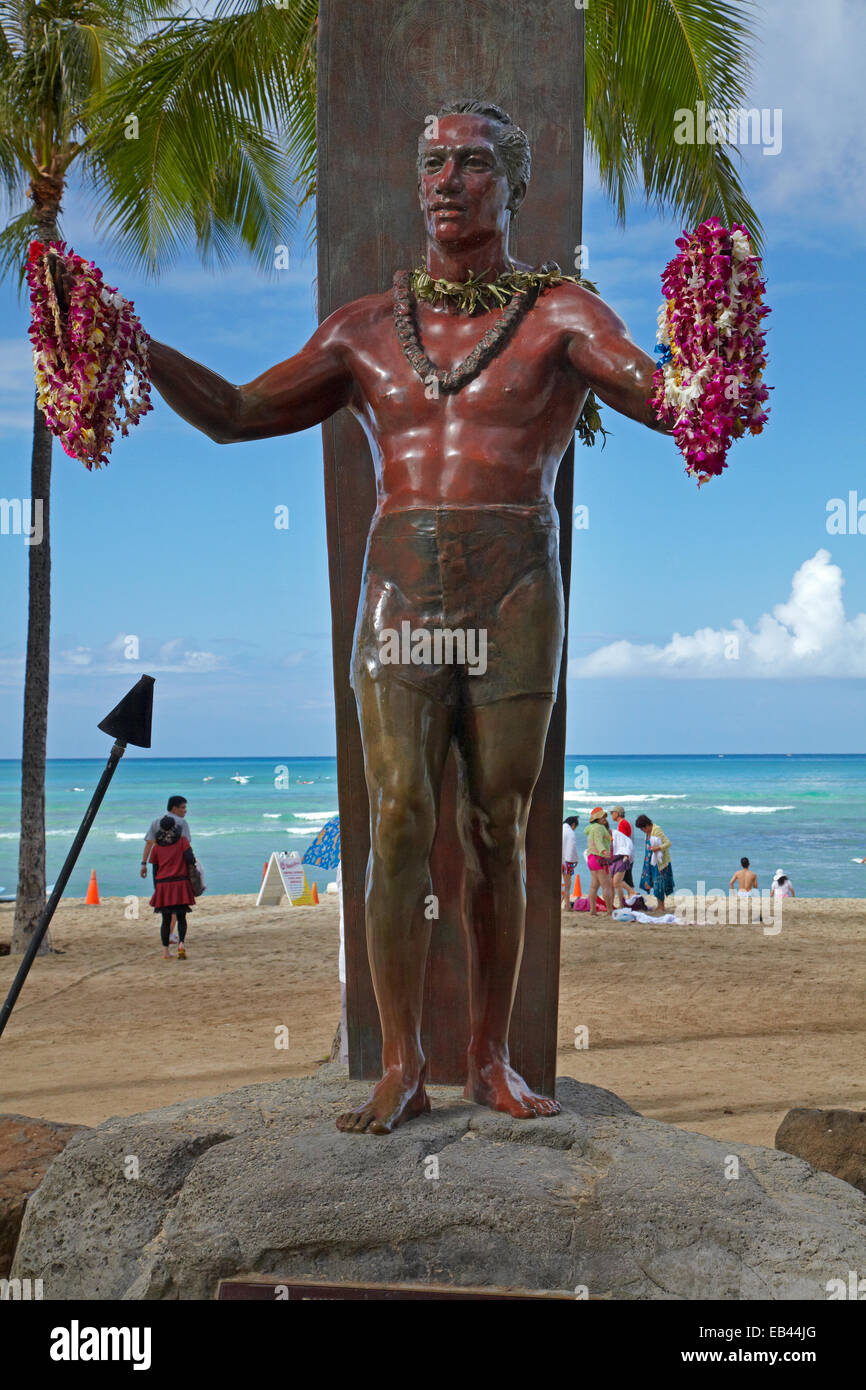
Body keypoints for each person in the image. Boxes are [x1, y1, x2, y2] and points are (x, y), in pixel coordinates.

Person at [137, 101, 672, 1133]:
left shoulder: (561, 314)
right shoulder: (362, 329)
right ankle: (398, 1065)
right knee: (395, 821)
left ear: (510, 184)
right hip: (398, 590)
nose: (446, 180)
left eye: (471, 163)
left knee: (496, 828)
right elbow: (240, 416)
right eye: (431, 162)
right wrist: (137, 345)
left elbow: (664, 401)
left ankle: (487, 1061)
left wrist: (713, 352)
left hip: (516, 581)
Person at [141, 796, 190, 941]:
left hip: (160, 869)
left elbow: (149, 843)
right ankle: (170, 934)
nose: (185, 811)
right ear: (174, 808)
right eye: (182, 807)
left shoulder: (156, 822)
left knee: (165, 902)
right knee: (177, 903)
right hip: (178, 870)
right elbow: (186, 847)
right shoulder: (182, 823)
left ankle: (168, 934)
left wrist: (143, 863)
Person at [148, 816, 195, 959]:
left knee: (165, 920)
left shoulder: (156, 847)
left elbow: (155, 870)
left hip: (163, 885)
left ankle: (165, 952)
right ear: (174, 827)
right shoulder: (182, 842)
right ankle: (181, 943)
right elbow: (190, 859)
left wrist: (156, 888)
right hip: (180, 883)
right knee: (181, 917)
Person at [636, 814, 674, 911]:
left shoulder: (656, 830)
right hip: (651, 862)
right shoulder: (648, 832)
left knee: (659, 884)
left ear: (647, 825)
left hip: (660, 863)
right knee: (655, 883)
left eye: (642, 829)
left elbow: (668, 843)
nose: (643, 831)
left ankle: (661, 906)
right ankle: (659, 905)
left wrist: (658, 848)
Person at [584, 807, 613, 916]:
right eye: (603, 817)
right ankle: (610, 910)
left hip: (591, 858)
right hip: (599, 858)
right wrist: (604, 851)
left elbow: (594, 840)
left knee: (593, 886)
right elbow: (598, 841)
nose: (605, 819)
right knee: (606, 886)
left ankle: (593, 910)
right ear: (597, 819)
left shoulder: (591, 828)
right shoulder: (599, 828)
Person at [609, 816, 634, 909]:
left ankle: (621, 904)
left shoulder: (617, 835)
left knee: (616, 883)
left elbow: (626, 843)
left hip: (621, 860)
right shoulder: (606, 839)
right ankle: (610, 905)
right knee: (610, 884)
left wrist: (626, 855)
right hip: (612, 862)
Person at [561, 815, 580, 909]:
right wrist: (575, 860)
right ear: (573, 825)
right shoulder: (570, 832)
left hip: (558, 860)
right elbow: (572, 848)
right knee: (567, 885)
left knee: (559, 884)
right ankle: (567, 905)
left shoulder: (560, 828)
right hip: (567, 862)